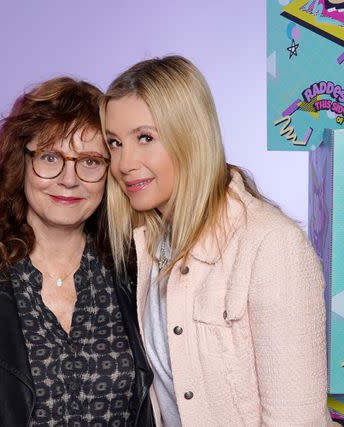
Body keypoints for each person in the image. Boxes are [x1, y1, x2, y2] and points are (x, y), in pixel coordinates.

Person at [100, 55, 330, 426]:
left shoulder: (271, 246)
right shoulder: (146, 247)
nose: (124, 163)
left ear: (190, 135)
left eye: (145, 138)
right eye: (114, 143)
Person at [0, 77, 155, 427]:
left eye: (90, 161)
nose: (69, 179)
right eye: (50, 157)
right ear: (21, 163)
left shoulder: (136, 273)